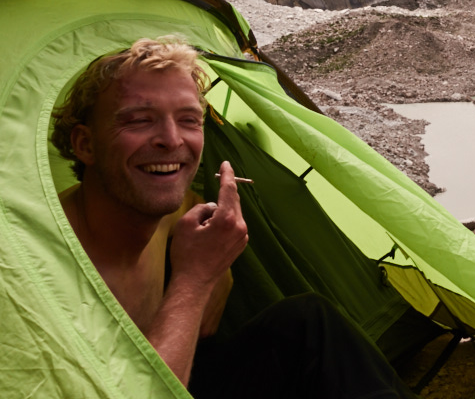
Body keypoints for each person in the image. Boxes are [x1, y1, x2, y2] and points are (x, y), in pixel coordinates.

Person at [52, 37, 415, 398]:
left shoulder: (154, 206)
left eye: (189, 120)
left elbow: (189, 203)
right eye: (139, 120)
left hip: (174, 372)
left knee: (308, 320)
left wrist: (220, 268)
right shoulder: (45, 261)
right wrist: (194, 280)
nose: (171, 139)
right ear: (85, 144)